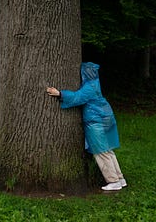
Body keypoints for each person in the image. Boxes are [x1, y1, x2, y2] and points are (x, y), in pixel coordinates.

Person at [46, 62, 127, 191]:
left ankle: (113, 181)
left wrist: (60, 94)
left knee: (100, 151)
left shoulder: (90, 86)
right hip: (104, 118)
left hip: (97, 121)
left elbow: (77, 97)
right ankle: (120, 179)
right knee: (108, 150)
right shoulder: (95, 84)